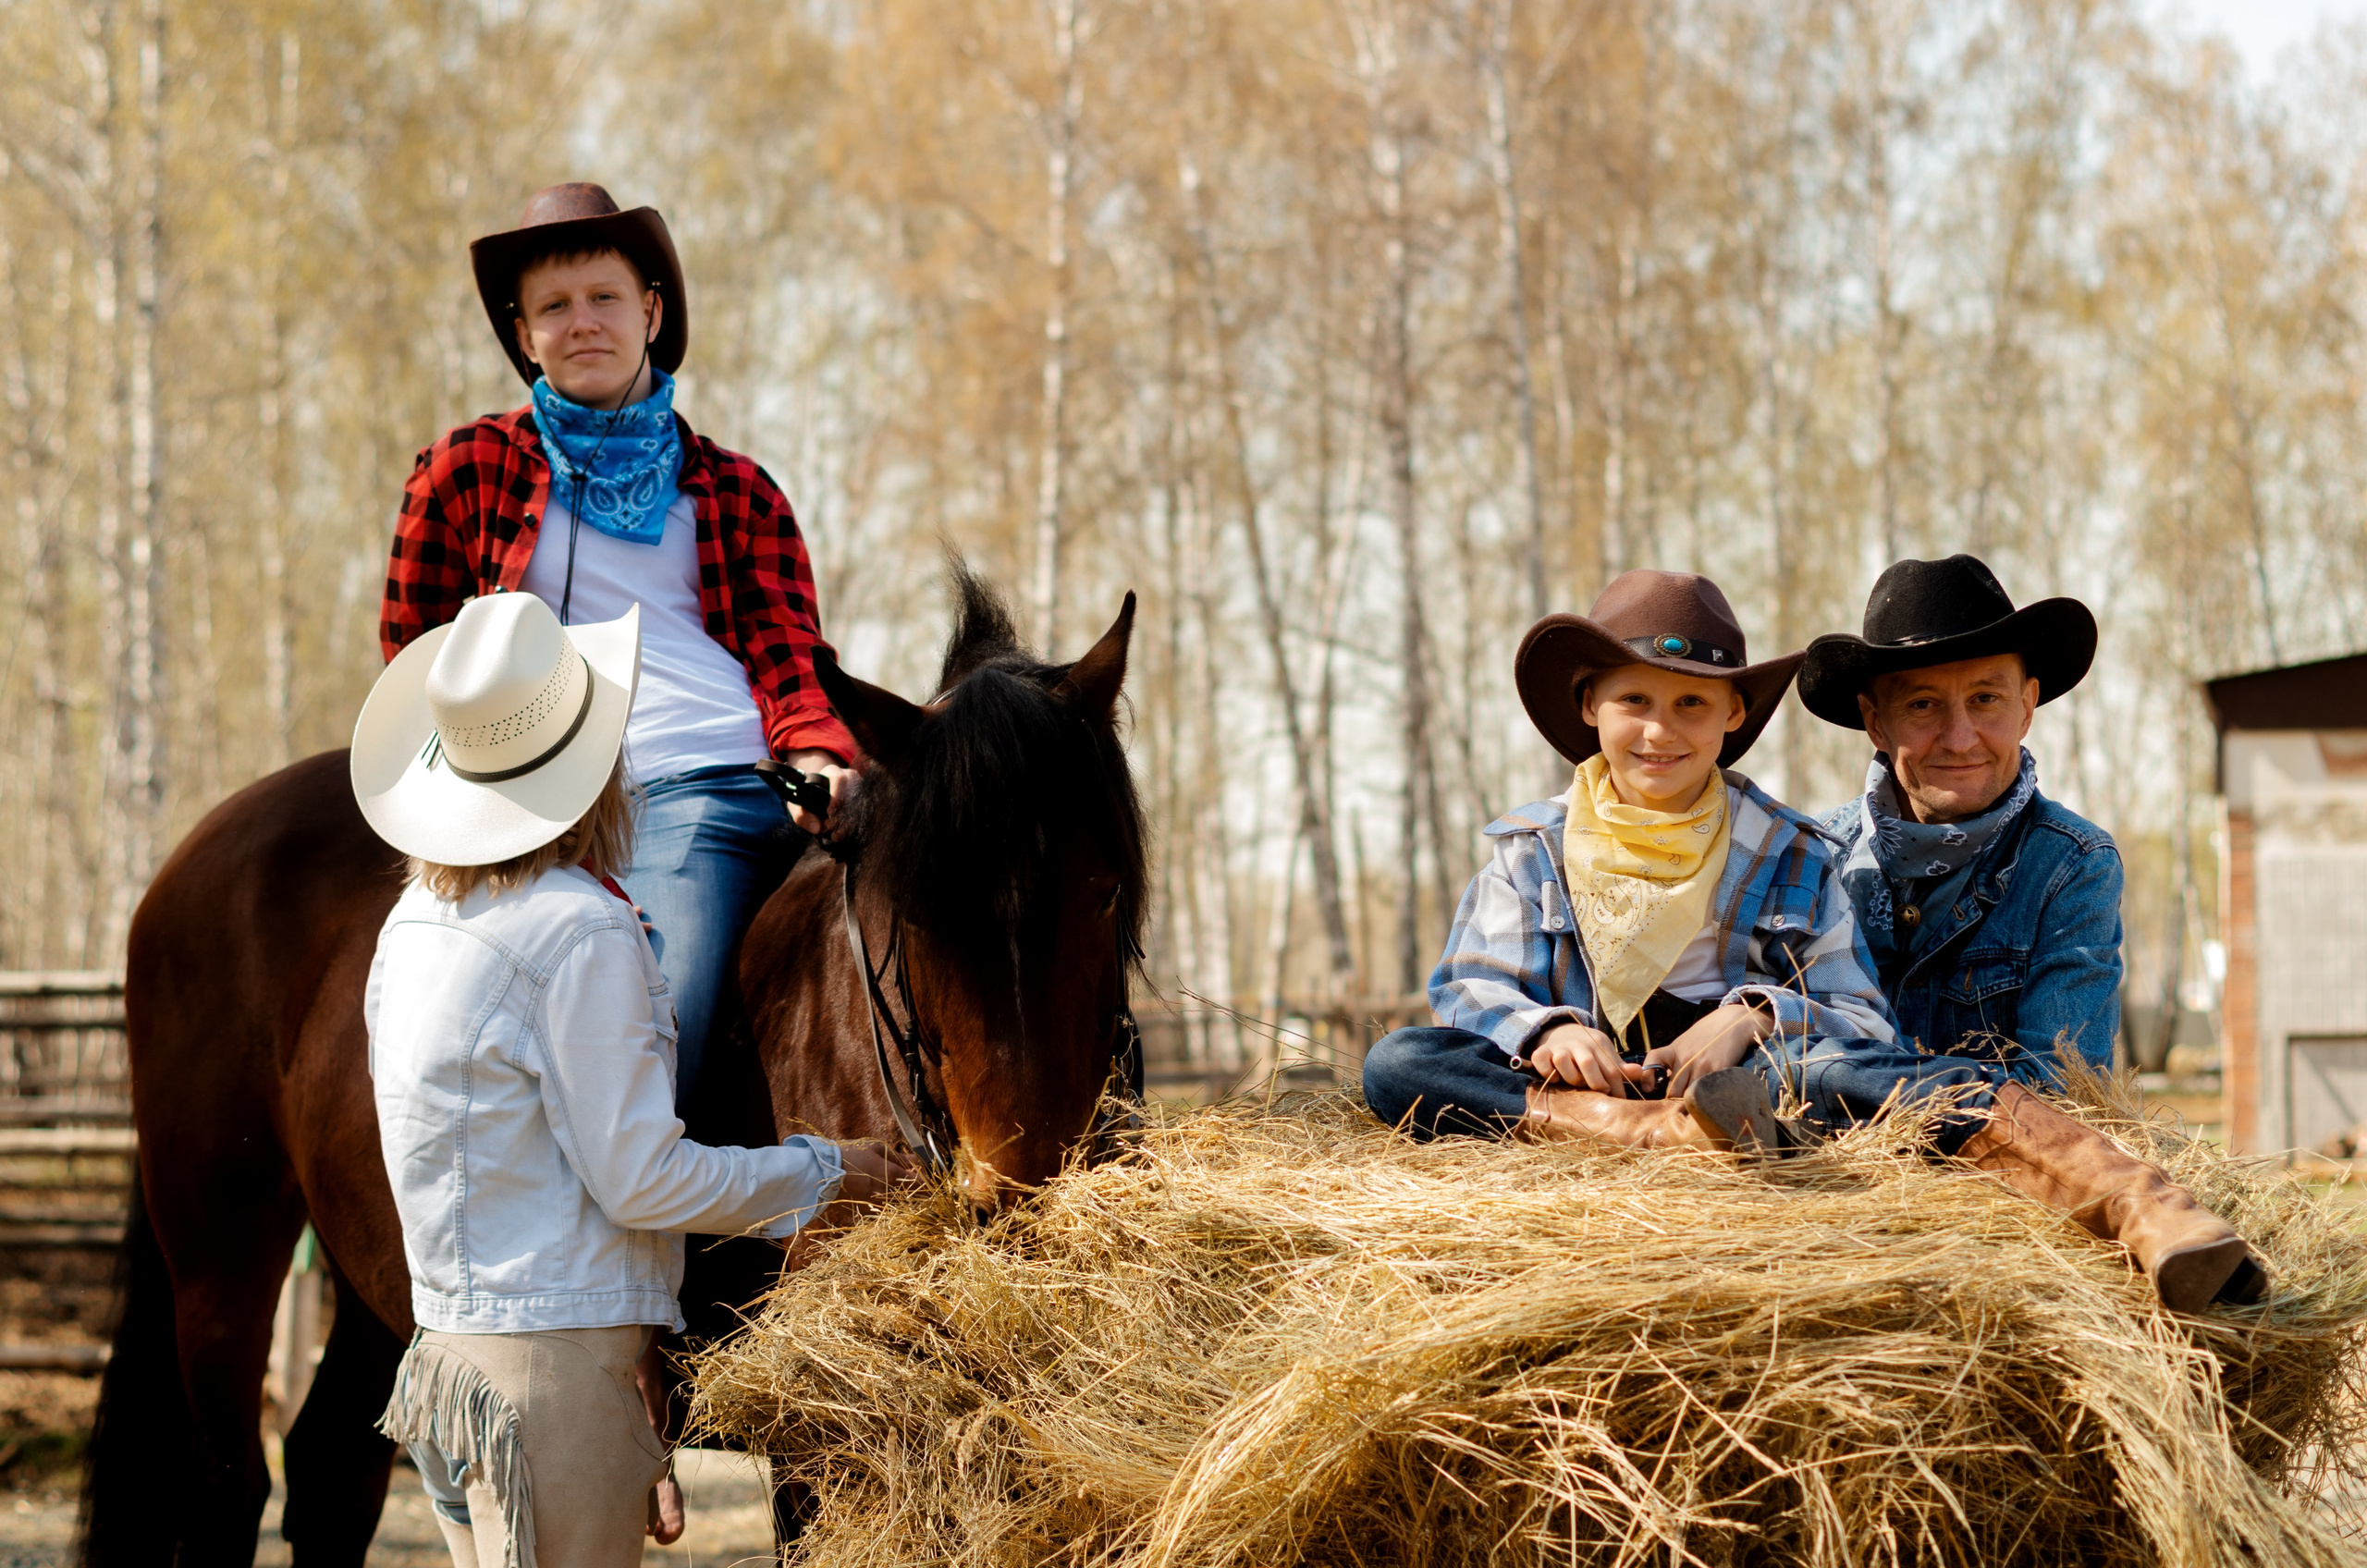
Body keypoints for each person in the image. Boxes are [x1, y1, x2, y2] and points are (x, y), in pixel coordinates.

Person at [350, 590, 905, 1568]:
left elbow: (529, 1166)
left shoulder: (415, 921)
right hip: (548, 1385)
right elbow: (642, 1180)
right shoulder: (581, 928)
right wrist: (829, 1168)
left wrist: (634, 1343)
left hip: (448, 1363)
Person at [380, 182, 854, 1124]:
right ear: (524, 337)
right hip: (603, 791)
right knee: (652, 1042)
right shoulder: (464, 470)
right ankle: (622, 1235)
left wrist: (816, 750)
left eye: (604, 299)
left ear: (651, 312)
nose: (581, 323)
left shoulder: (737, 488)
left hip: (737, 769)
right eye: (554, 307)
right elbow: (418, 655)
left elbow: (786, 646)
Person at [1763, 553, 2263, 1312]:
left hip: (1997, 1212)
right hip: (1833, 1217)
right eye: (1924, 705)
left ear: (2028, 705)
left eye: (1987, 699)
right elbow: (1781, 1061)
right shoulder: (1811, 859)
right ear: (1875, 719)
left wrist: (1876, 1114)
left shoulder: (2073, 864)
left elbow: (2059, 1089)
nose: (1960, 736)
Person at [1361, 570, 1895, 1151]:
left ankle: (1719, 1116)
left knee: (1837, 1070)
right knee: (1400, 1062)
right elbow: (1473, 986)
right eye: (1634, 700)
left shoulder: (1789, 850)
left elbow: (1861, 1013)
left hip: (1737, 1077)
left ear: (1734, 712)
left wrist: (1750, 1019)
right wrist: (1550, 1030)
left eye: (1692, 702)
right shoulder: (1535, 848)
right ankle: (1634, 1128)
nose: (1659, 731)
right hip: (1574, 1087)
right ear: (1591, 704)